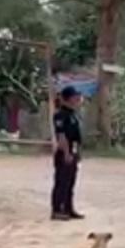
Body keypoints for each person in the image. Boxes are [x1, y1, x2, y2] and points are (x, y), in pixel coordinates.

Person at [52, 85, 84, 221]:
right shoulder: (60, 115)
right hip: (64, 151)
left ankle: (68, 208)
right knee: (62, 182)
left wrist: (77, 153)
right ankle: (57, 209)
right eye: (74, 96)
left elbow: (76, 137)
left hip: (73, 149)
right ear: (68, 98)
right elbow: (62, 136)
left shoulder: (73, 115)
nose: (77, 99)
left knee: (70, 182)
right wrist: (66, 153)